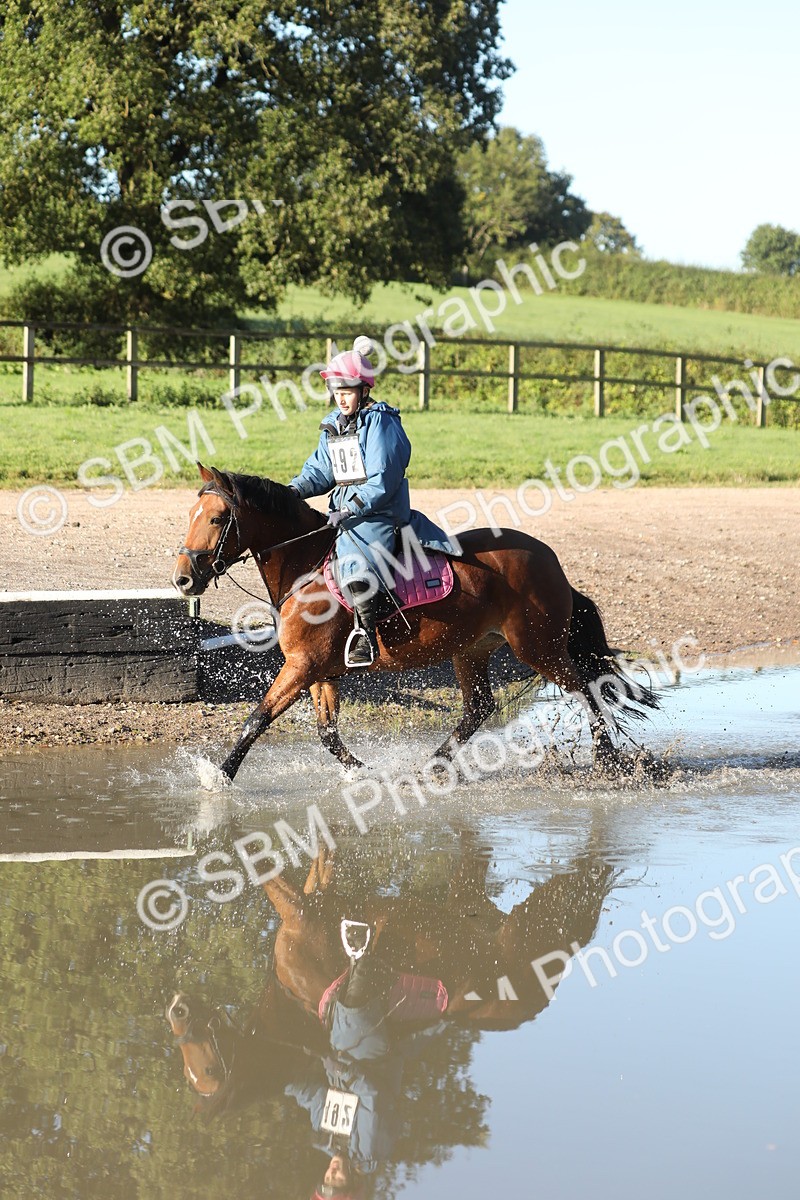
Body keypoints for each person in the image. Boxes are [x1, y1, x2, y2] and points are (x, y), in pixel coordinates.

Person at [288, 337, 456, 668]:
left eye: (347, 391)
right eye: (336, 391)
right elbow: (320, 472)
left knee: (355, 568)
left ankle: (366, 638)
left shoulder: (382, 422)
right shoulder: (333, 426)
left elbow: (383, 479)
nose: (340, 397)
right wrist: (290, 492)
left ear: (363, 390)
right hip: (343, 515)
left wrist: (351, 506)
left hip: (378, 515)